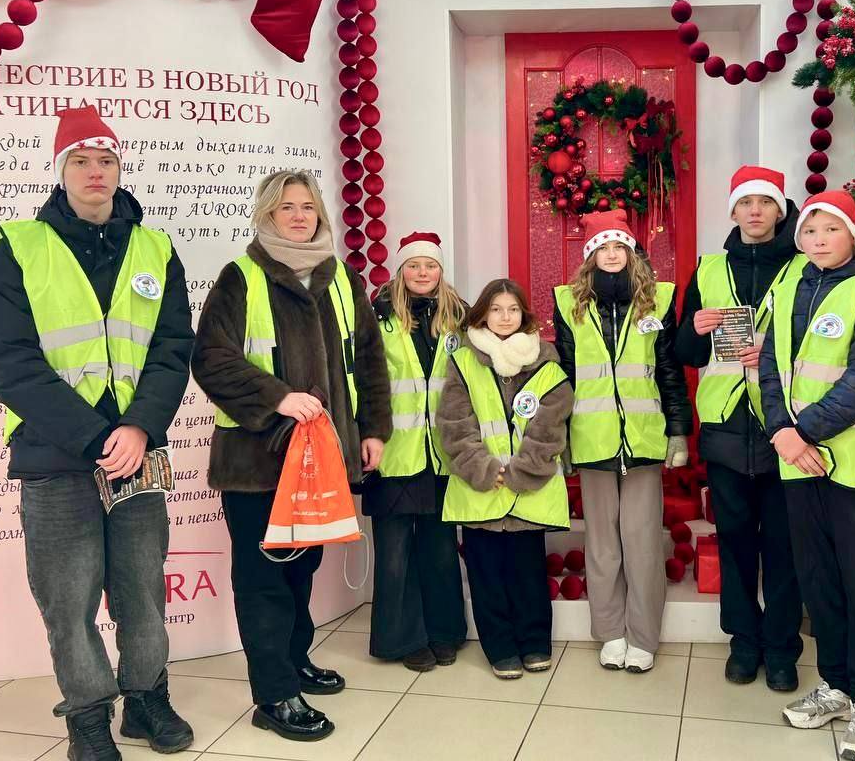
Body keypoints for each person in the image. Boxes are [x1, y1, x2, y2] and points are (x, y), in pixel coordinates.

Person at [0, 105, 195, 761]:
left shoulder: (156, 248)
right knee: (67, 598)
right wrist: (96, 436)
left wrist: (139, 426)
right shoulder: (19, 246)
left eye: (106, 160)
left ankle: (147, 698)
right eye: (81, 160)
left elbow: (170, 346)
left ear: (120, 170)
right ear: (61, 169)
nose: (94, 172)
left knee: (141, 586)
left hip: (137, 450)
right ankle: (89, 717)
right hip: (55, 454)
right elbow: (9, 360)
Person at [191, 169, 391, 742]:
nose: (300, 216)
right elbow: (211, 359)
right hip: (257, 465)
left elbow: (370, 362)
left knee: (302, 570)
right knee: (263, 580)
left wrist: (373, 429)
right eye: (287, 208)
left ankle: (295, 660)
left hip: (324, 460)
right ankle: (274, 695)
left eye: (308, 207)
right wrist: (277, 397)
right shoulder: (242, 277)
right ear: (267, 215)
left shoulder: (343, 279)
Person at [758, 190, 855, 761]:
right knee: (817, 576)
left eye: (830, 229)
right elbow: (771, 363)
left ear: (853, 235)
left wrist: (801, 432)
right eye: (810, 230)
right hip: (797, 457)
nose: (818, 239)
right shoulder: (791, 282)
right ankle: (837, 685)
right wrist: (779, 431)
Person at [674, 165, 804, 689]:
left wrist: (770, 352)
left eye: (765, 203)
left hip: (785, 428)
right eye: (745, 204)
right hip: (727, 429)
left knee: (783, 546)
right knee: (733, 542)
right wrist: (695, 327)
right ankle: (743, 642)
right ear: (733, 212)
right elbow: (684, 351)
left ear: (780, 210)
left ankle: (782, 647)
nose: (755, 212)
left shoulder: (803, 267)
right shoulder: (707, 270)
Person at [552, 209, 691, 672]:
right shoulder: (569, 305)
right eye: (603, 248)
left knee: (643, 540)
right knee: (603, 543)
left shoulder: (659, 301)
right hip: (592, 439)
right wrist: (561, 437)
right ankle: (610, 631)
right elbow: (565, 376)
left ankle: (643, 636)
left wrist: (678, 430)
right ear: (590, 257)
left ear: (632, 253)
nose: (612, 255)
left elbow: (670, 372)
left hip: (645, 438)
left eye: (619, 247)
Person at [437, 278, 573, 679]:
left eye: (512, 309)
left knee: (528, 573)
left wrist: (523, 469)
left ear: (523, 315)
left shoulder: (546, 360)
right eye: (496, 309)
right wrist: (483, 467)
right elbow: (454, 422)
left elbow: (552, 422)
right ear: (482, 314)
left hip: (528, 487)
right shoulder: (463, 360)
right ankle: (500, 649)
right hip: (481, 486)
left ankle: (534, 643)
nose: (504, 316)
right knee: (487, 573)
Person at [366, 232, 469, 672]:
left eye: (430, 265)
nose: (422, 273)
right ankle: (402, 638)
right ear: (400, 271)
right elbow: (366, 382)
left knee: (441, 548)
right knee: (393, 553)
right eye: (413, 265)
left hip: (443, 454)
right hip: (394, 453)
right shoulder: (379, 316)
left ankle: (444, 631)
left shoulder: (459, 319)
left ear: (441, 271)